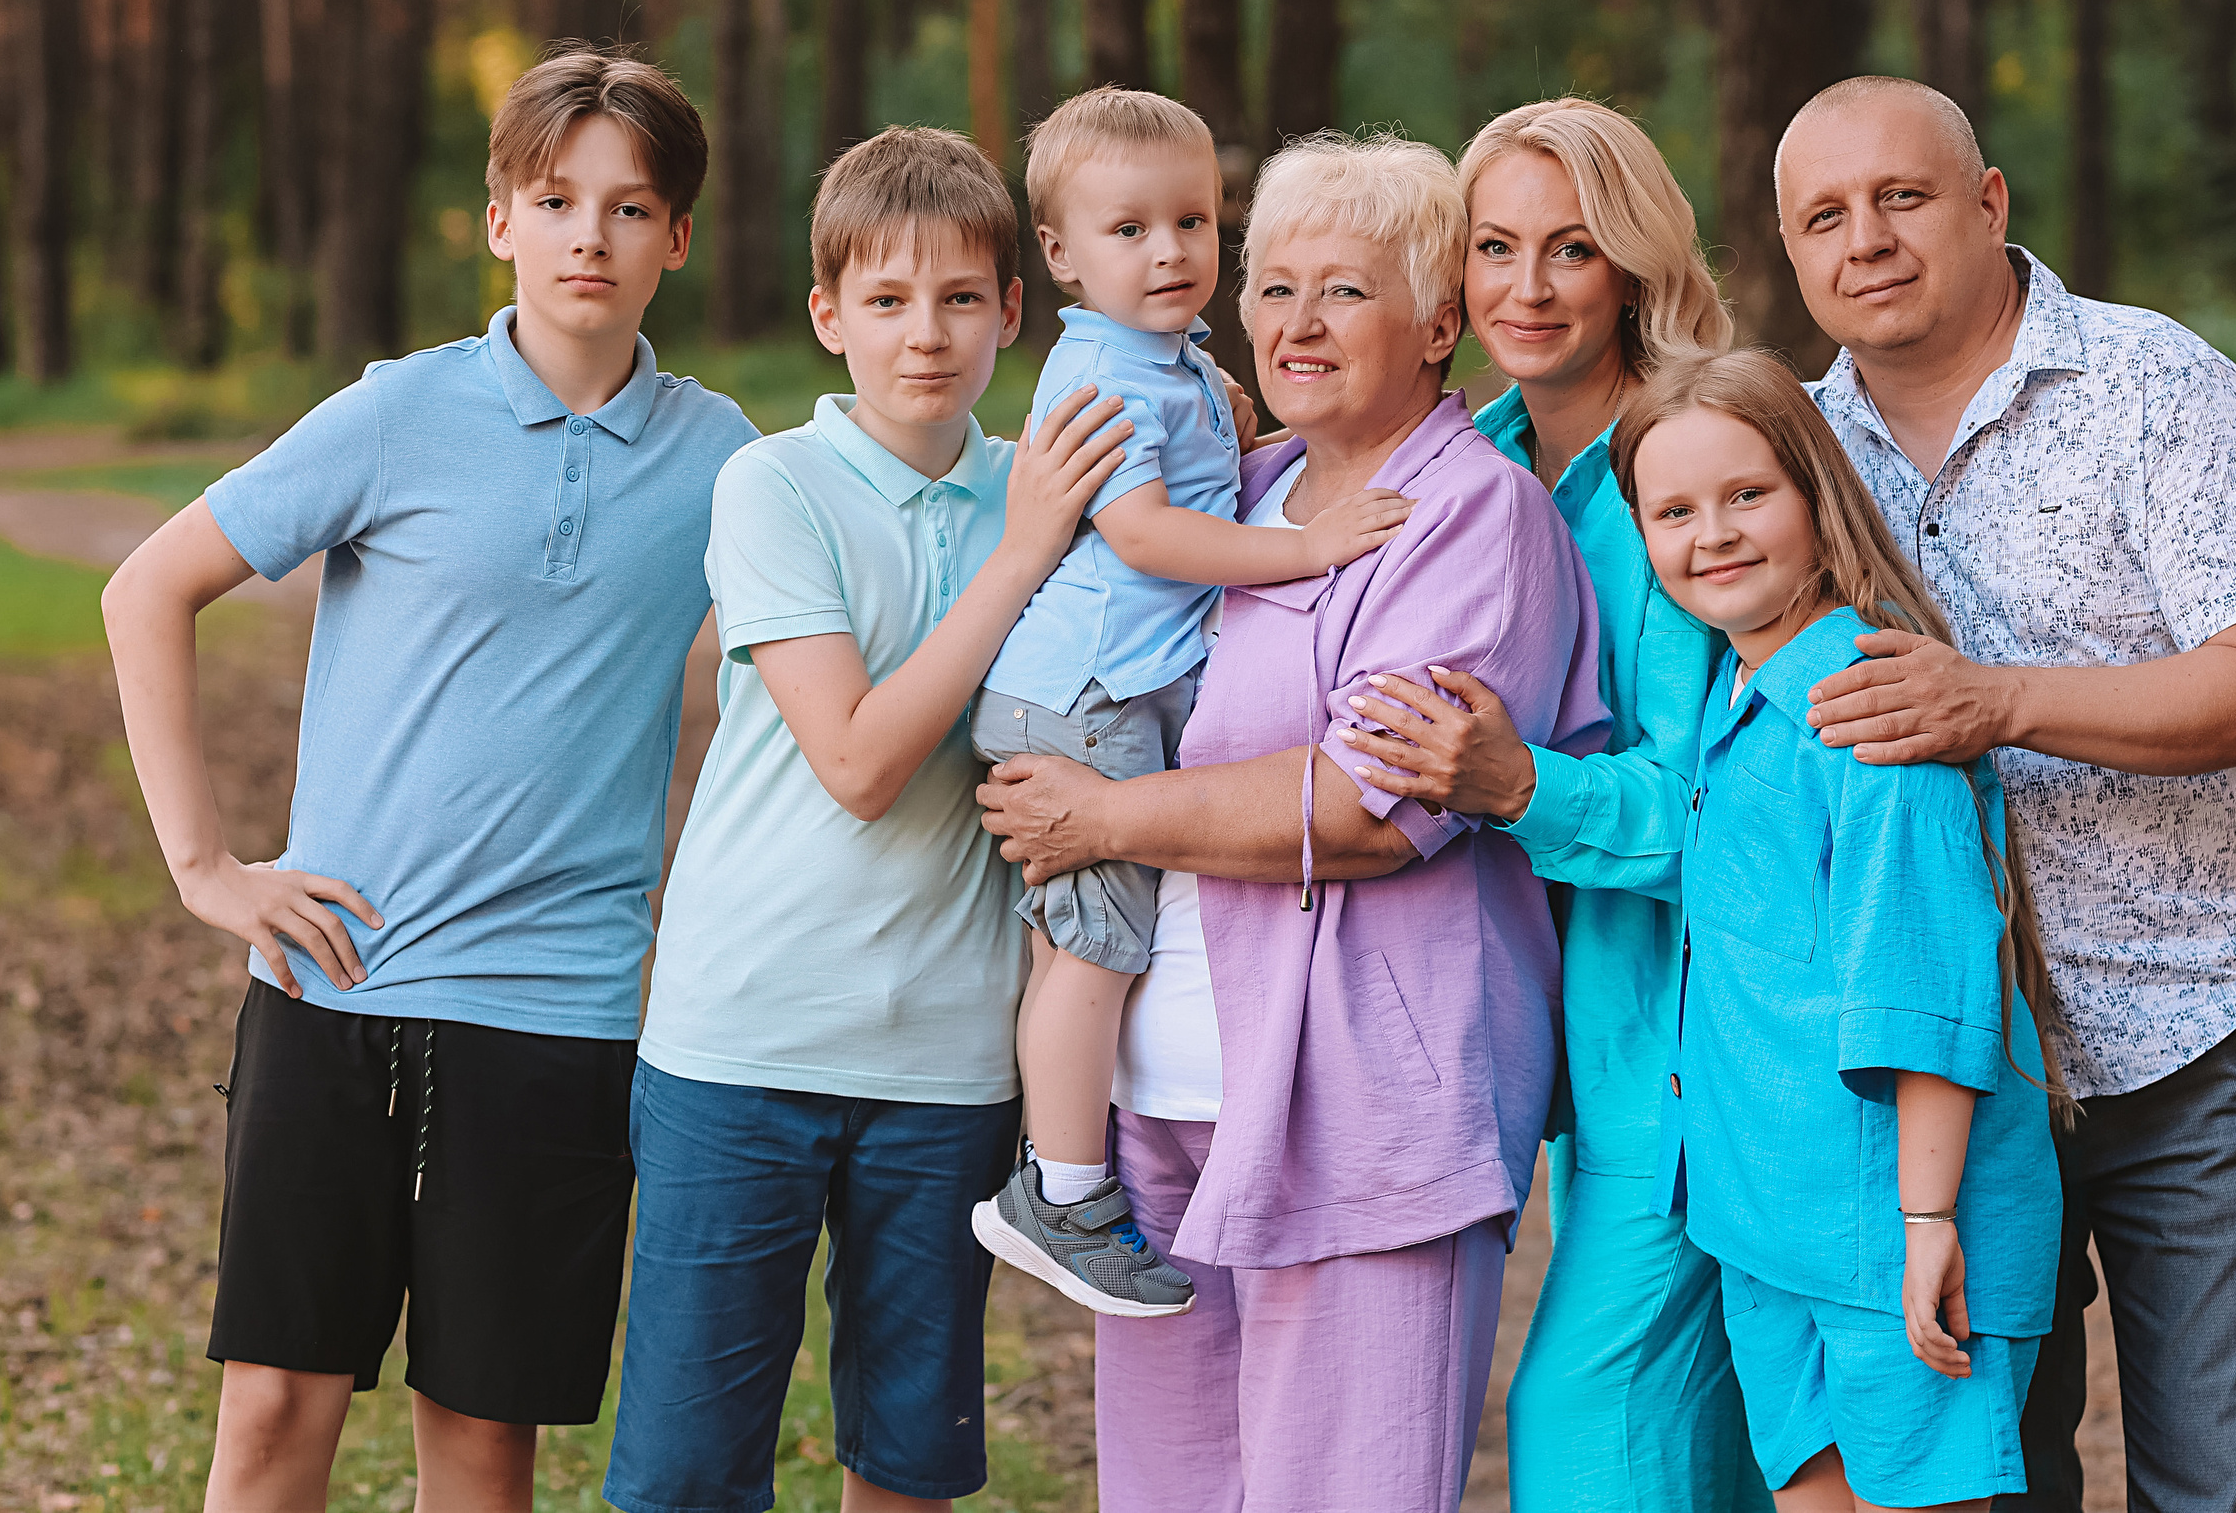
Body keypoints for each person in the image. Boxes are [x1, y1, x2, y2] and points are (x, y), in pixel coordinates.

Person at [99, 48, 760, 1510]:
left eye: (631, 206)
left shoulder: (727, 460)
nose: (592, 235)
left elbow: (887, 574)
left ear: (678, 239)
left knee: (479, 1441)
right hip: (336, 984)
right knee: (273, 1413)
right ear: (499, 219)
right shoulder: (394, 413)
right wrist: (208, 868)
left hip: (559, 1010)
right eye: (557, 197)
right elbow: (146, 589)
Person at [975, 132, 1610, 1513]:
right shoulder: (1253, 492)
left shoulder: (1470, 516)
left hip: (1363, 1106)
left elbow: (1370, 804)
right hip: (1168, 1098)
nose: (1293, 323)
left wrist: (1104, 815)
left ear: (1438, 322)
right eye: (1271, 287)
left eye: (1343, 291)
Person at [1776, 77, 2236, 1511]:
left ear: (1989, 202)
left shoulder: (2158, 387)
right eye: (1824, 217)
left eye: (1902, 196)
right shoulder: (1796, 462)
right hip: (1950, 1072)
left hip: (2185, 1037)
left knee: (2221, 1484)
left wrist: (2000, 699)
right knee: (1981, 1488)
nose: (1868, 240)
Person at [598, 127, 1134, 1513]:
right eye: (888, 301)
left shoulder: (1057, 481)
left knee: (908, 1456)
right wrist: (1021, 548)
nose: (927, 336)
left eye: (963, 297)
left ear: (1015, 311)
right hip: (742, 1038)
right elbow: (855, 757)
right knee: (686, 1471)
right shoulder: (774, 484)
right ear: (828, 314)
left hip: (949, 1059)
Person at [1344, 96, 1768, 1513]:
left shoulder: (1687, 470)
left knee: (1592, 1417)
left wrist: (1520, 783)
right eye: (1495, 247)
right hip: (1538, 1025)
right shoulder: (1474, 454)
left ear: (1635, 266)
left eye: (1572, 249)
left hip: (1690, 1036)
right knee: (1706, 1437)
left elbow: (1732, 801)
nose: (1526, 288)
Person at [968, 87, 1409, 1318]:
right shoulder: (1099, 378)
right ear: (1057, 253)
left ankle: (1069, 1173)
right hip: (1083, 701)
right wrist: (1309, 550)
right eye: (1128, 231)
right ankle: (1058, 1191)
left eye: (1194, 224)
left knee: (1098, 939)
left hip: (1105, 692)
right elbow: (1149, 534)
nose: (1170, 253)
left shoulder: (1164, 365)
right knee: (1090, 953)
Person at [1607, 346, 2068, 1511]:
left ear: (1816, 497)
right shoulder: (1732, 700)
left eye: (1746, 495)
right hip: (1768, 1224)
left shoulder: (1869, 710)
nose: (1712, 533)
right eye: (1673, 511)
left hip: (1900, 1230)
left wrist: (1925, 1224)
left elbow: (1924, 989)